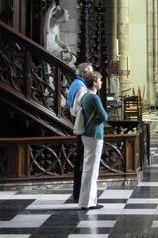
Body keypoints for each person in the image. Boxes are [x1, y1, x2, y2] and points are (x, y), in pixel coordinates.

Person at [78, 69, 108, 210]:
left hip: (87, 134)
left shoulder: (85, 96)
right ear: (95, 83)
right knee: (92, 170)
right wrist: (99, 117)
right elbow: (104, 116)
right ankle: (88, 202)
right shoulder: (93, 97)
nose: (101, 82)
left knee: (89, 168)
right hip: (94, 135)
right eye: (100, 80)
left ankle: (88, 201)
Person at [66, 62, 92, 203]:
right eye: (90, 72)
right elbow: (77, 109)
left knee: (81, 159)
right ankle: (79, 194)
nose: (92, 75)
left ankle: (78, 194)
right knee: (82, 160)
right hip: (82, 126)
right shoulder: (81, 87)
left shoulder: (76, 83)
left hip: (78, 124)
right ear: (83, 74)